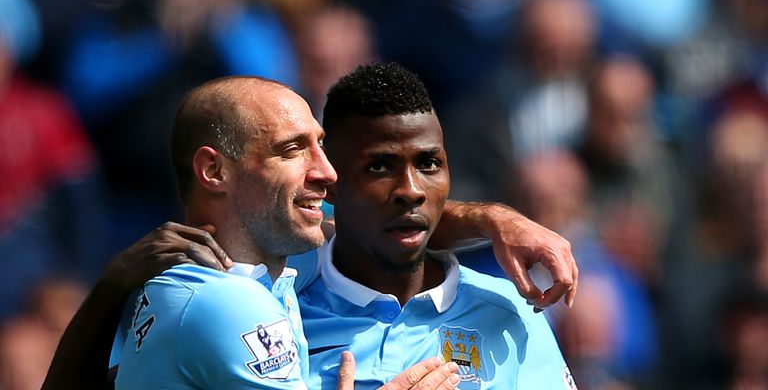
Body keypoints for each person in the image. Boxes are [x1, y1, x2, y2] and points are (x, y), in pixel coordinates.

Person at [44, 68, 579, 388]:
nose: (411, 189)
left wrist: (493, 218)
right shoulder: (256, 293)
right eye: (376, 166)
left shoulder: (512, 316)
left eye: (431, 164)